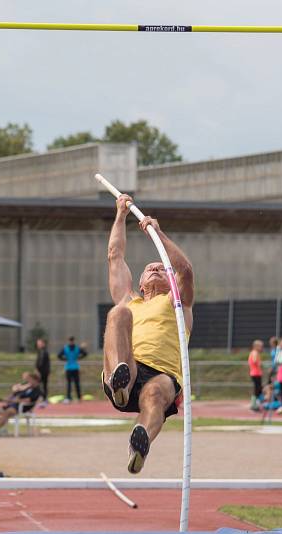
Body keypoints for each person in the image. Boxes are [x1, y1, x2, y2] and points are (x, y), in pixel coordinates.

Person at [102, 193, 194, 474]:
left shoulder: (177, 303)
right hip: (128, 364)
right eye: (149, 269)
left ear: (170, 280)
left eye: (160, 268)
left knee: (156, 393)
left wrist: (158, 232)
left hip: (162, 374)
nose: (155, 269)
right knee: (118, 313)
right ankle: (120, 383)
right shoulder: (132, 300)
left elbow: (186, 270)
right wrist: (120, 215)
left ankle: (139, 443)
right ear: (140, 283)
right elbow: (115, 256)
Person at [0, 371, 43, 436]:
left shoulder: (37, 391)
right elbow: (15, 395)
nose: (29, 381)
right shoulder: (26, 388)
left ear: (36, 381)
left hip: (22, 408)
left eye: (31, 380)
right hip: (13, 405)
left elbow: (28, 400)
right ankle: (2, 429)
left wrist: (17, 400)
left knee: (8, 412)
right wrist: (5, 399)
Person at [58, 336, 89, 403]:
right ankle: (70, 397)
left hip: (74, 367)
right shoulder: (70, 348)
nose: (71, 342)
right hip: (69, 368)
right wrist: (66, 359)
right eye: (70, 341)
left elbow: (59, 356)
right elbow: (59, 355)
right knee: (69, 384)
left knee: (76, 383)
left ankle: (78, 397)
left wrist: (77, 358)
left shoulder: (75, 348)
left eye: (71, 341)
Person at [248, 339, 264, 410]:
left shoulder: (254, 352)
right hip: (255, 373)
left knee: (258, 389)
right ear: (256, 346)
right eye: (260, 346)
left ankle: (255, 404)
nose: (261, 348)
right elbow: (254, 360)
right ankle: (254, 405)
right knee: (257, 390)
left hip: (255, 373)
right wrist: (259, 364)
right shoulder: (255, 352)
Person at [35, 338, 50, 402]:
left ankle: (43, 397)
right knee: (40, 385)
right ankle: (42, 396)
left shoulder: (44, 352)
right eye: (38, 343)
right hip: (42, 371)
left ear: (43, 344)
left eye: (39, 343)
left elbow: (42, 363)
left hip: (43, 371)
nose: (38, 345)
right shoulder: (40, 351)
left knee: (41, 384)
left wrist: (38, 370)